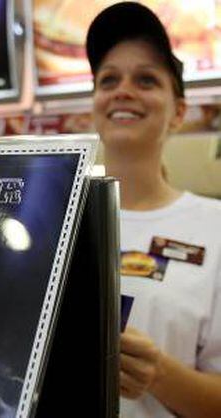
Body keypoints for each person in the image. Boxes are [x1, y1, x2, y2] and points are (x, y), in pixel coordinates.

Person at [86, 3, 221, 418]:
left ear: (178, 112)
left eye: (145, 79)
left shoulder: (214, 227)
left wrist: (159, 373)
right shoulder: (57, 219)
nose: (123, 90)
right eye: (109, 79)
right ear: (94, 102)